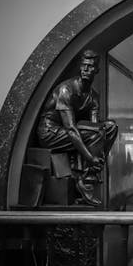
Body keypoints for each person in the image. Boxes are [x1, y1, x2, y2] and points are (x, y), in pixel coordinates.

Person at [36, 50, 118, 206]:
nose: (86, 70)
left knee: (111, 128)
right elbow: (71, 129)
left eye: (90, 67)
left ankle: (90, 174)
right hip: (50, 132)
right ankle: (84, 182)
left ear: (97, 70)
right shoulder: (66, 89)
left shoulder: (93, 96)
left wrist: (96, 154)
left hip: (69, 132)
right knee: (95, 133)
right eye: (84, 66)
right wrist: (89, 157)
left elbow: (96, 128)